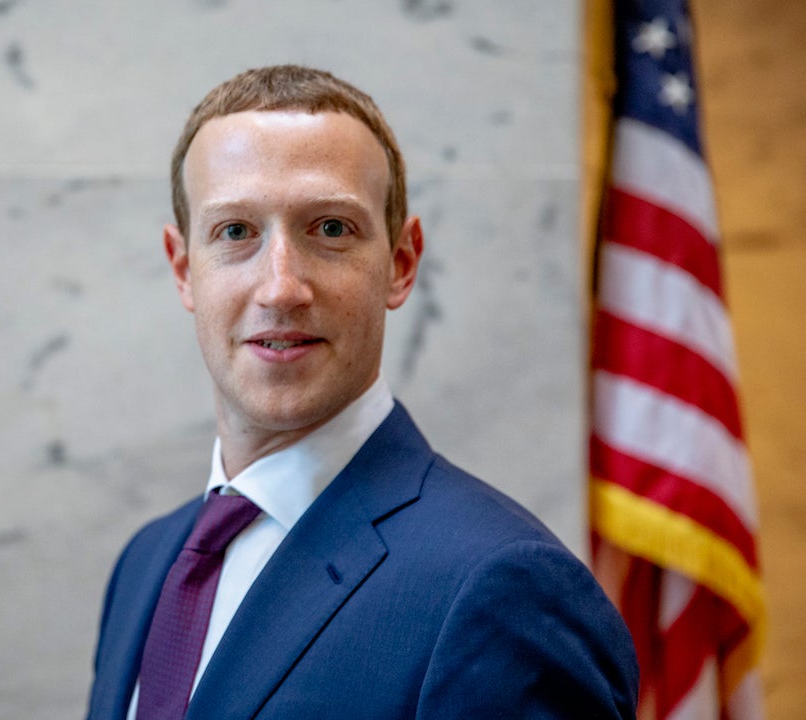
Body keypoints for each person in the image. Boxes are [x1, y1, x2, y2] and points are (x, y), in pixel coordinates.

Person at [86, 65, 638, 720]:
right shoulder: (148, 563)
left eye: (331, 229)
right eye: (235, 232)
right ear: (184, 269)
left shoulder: (501, 587)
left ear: (401, 264)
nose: (281, 288)